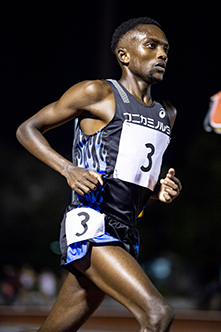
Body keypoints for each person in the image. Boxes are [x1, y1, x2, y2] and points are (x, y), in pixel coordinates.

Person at [16, 17, 182, 332]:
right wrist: (67, 168)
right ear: (124, 55)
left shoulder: (167, 114)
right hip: (92, 224)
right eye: (151, 46)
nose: (162, 54)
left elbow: (136, 181)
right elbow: (27, 129)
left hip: (127, 233)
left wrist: (160, 190)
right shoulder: (98, 93)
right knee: (158, 314)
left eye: (165, 49)